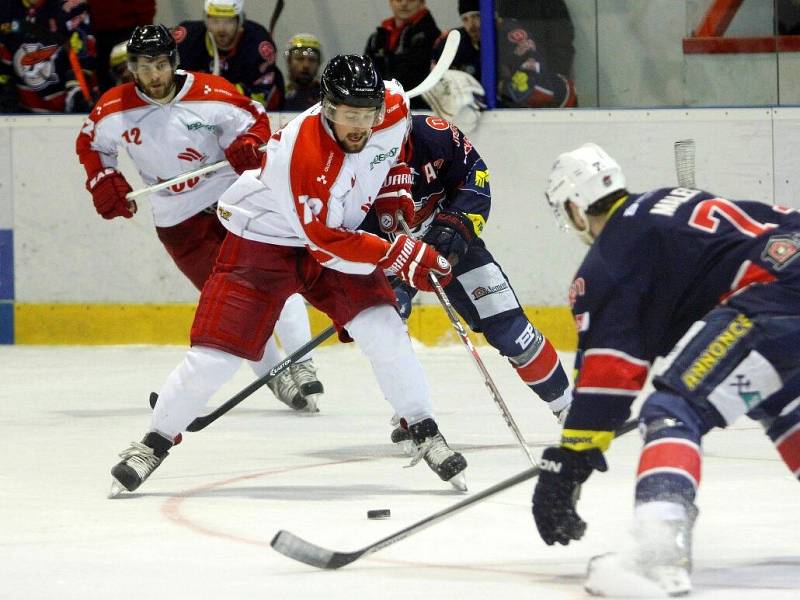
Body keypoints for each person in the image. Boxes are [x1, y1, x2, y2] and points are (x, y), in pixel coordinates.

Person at [107, 54, 469, 497]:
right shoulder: (304, 157)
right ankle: (153, 443)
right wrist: (399, 253)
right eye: (348, 115)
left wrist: (393, 186)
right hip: (264, 242)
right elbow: (326, 243)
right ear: (328, 109)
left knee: (384, 328)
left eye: (366, 114)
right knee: (216, 357)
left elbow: (398, 147)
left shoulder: (390, 108)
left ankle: (423, 428)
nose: (360, 125)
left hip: (336, 235)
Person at [531, 143, 800, 596]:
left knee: (674, 410)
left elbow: (610, 375)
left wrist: (570, 461)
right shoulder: (667, 202)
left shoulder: (611, 256)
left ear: (575, 208)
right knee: (776, 401)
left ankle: (659, 550)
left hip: (777, 296)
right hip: (785, 281)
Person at [75, 24, 324, 414]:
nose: (152, 76)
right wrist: (103, 178)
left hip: (231, 199)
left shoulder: (212, 93)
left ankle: (302, 362)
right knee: (230, 301)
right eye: (142, 66)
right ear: (132, 69)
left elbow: (257, 121)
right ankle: (275, 374)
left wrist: (247, 146)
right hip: (178, 220)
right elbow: (91, 144)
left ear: (173, 62)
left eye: (159, 65)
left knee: (273, 274)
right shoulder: (114, 109)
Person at [360, 114, 571, 447]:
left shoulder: (434, 135)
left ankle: (568, 407)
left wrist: (456, 223)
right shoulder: (347, 158)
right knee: (388, 335)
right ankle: (413, 414)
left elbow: (476, 174)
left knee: (509, 327)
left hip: (449, 245)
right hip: (387, 255)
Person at [433, 0, 576, 109]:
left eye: (476, 16)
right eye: (465, 19)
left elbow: (527, 86)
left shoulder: (511, 34)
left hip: (555, 103)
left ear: (490, 16)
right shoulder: (458, 41)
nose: (472, 25)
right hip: (511, 111)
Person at [173, 0, 284, 110]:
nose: (221, 29)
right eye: (215, 21)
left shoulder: (259, 45)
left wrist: (216, 93)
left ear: (239, 21)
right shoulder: (186, 39)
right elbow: (171, 85)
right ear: (206, 20)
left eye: (228, 21)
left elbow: (259, 99)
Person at [0, 0, 98, 113]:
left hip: (65, 111)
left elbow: (84, 58)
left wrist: (77, 92)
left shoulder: (71, 6)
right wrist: (4, 82)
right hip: (20, 110)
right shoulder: (6, 8)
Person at [364, 0, 440, 109]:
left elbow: (412, 77)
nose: (404, 3)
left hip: (420, 109)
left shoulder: (430, 36)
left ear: (422, 2)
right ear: (390, 2)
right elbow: (367, 75)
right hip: (384, 108)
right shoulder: (377, 38)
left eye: (411, 0)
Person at [86, 0, 154, 93]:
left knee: (140, 82)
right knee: (107, 84)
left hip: (130, 29)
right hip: (102, 34)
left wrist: (144, 28)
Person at [283, 32, 321, 111]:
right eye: (300, 58)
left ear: (319, 64)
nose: (306, 65)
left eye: (312, 60)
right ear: (289, 61)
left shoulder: (328, 99)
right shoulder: (278, 96)